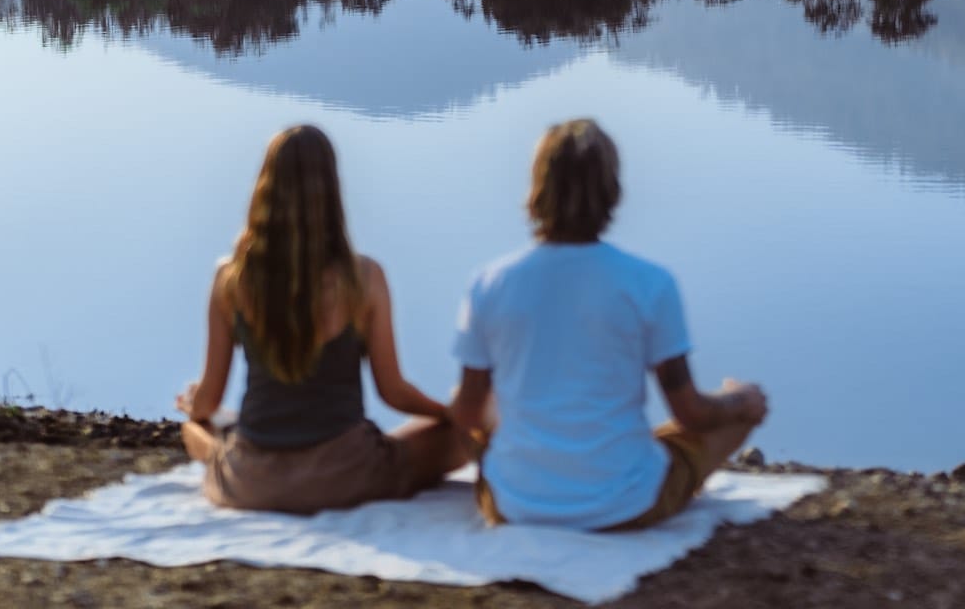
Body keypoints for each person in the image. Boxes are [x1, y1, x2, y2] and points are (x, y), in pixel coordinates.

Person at [448, 118, 768, 530]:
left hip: (513, 505)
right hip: (628, 504)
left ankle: (540, 468)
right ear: (612, 191)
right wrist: (739, 400)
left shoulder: (489, 283)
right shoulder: (650, 283)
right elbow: (690, 413)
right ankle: (614, 464)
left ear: (537, 189)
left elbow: (467, 412)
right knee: (741, 410)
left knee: (467, 397)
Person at [177, 124, 467, 513]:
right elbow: (393, 392)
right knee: (461, 435)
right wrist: (451, 414)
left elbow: (208, 400)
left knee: (195, 427)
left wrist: (193, 405)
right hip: (348, 476)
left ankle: (222, 457)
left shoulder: (231, 279)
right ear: (331, 191)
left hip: (254, 482)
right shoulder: (364, 278)